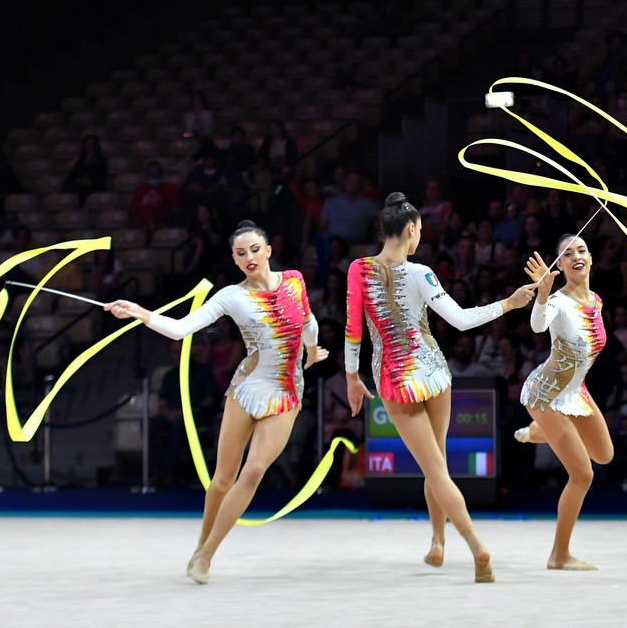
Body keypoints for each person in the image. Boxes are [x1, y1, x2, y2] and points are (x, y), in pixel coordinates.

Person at [103, 220, 328, 584]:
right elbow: (181, 329)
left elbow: (308, 322)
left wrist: (313, 350)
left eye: (255, 249)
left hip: (286, 392)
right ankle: (200, 549)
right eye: (241, 253)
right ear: (234, 260)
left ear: (268, 250)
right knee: (222, 479)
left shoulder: (294, 281)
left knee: (253, 471)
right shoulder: (230, 296)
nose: (249, 257)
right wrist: (139, 313)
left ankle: (205, 556)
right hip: (247, 388)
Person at [344, 193, 537, 583]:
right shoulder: (421, 273)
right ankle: (438, 541)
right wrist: (509, 303)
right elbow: (462, 320)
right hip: (433, 374)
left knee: (435, 470)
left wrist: (352, 377)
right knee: (438, 467)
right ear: (410, 229)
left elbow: (353, 330)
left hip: (398, 381)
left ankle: (476, 547)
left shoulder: (358, 269)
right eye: (420, 231)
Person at [512, 234, 614, 570]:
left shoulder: (596, 301)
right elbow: (538, 325)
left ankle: (536, 432)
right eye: (567, 254)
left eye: (581, 250)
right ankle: (559, 555)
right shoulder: (557, 301)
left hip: (575, 391)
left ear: (591, 258)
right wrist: (542, 294)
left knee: (604, 454)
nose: (576, 256)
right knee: (582, 475)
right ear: (560, 266)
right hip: (545, 394)